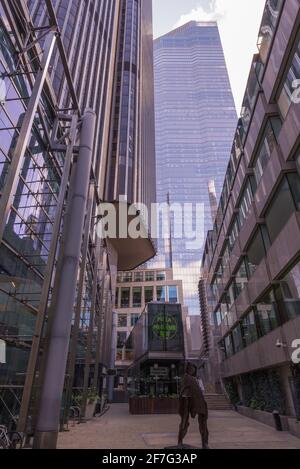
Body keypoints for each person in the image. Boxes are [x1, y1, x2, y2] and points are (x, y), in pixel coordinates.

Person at [178, 362, 209, 449]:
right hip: (187, 400)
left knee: (203, 423)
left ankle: (205, 443)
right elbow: (183, 390)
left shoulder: (197, 379)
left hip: (198, 400)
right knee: (184, 421)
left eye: (193, 369)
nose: (192, 370)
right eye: (190, 368)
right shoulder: (186, 378)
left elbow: (201, 390)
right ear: (187, 369)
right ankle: (179, 441)